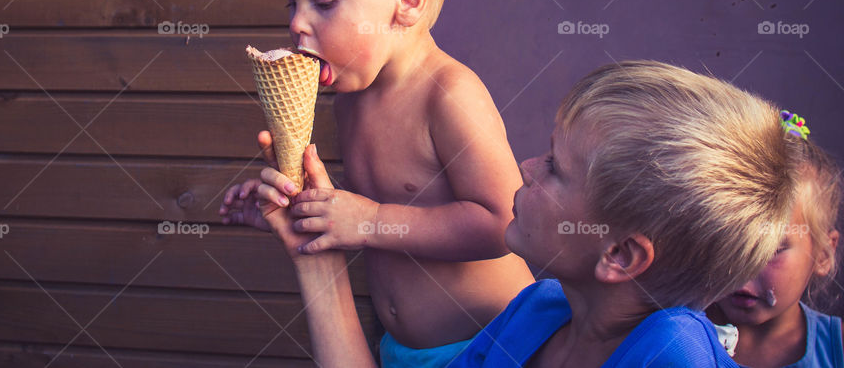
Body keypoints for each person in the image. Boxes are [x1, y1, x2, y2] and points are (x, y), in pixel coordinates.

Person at [237, 61, 799, 367]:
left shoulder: (672, 351)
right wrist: (314, 257)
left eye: (554, 167)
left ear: (621, 254)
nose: (526, 167)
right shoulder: (537, 310)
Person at [220, 0, 533, 366]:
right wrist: (305, 211)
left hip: (493, 343)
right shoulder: (350, 99)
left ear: (406, 2)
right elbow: (378, 199)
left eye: (323, 2)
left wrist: (370, 222)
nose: (297, 23)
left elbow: (503, 222)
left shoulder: (448, 94)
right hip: (401, 351)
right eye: (291, 2)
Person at [707, 112, 843, 367]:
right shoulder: (675, 335)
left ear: (823, 254)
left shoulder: (838, 349)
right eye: (727, 243)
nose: (742, 270)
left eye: (771, 249)